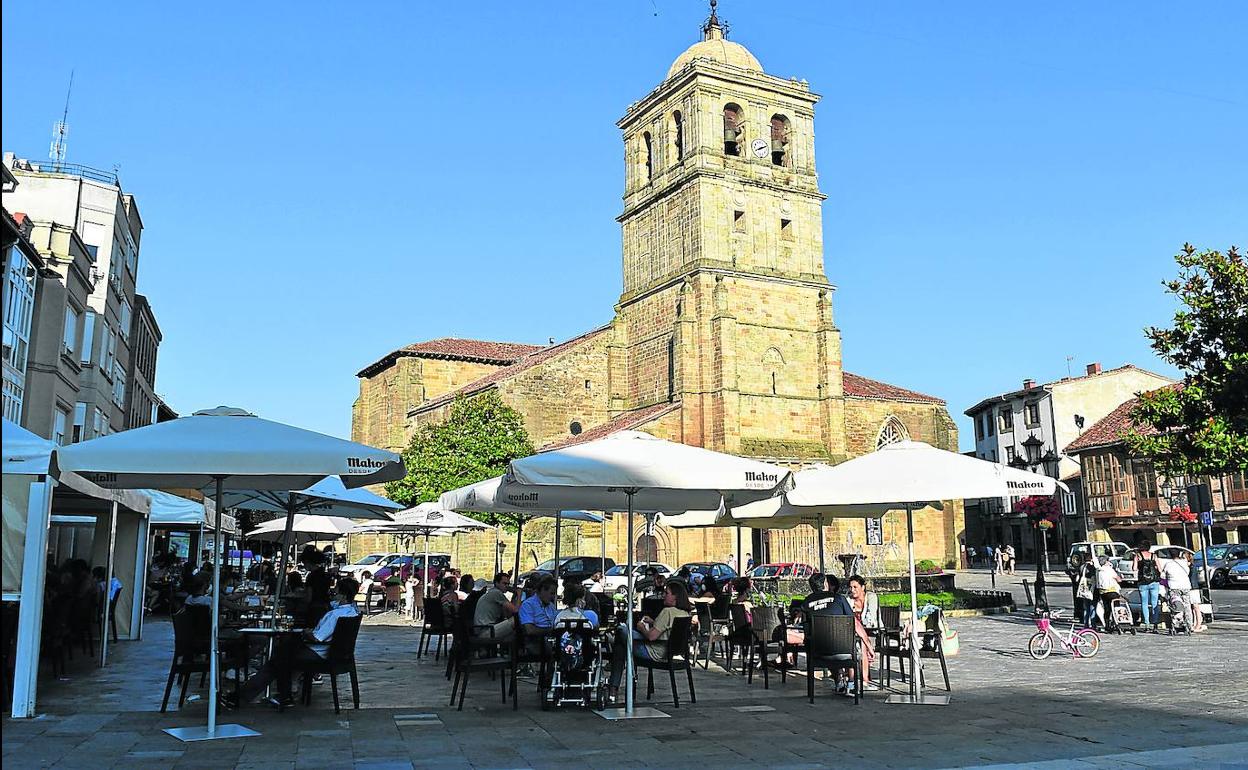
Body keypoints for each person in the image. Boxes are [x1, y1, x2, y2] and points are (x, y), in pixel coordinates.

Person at [223, 577, 361, 709]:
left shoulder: (334, 615)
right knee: (283, 653)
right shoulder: (353, 611)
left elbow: (317, 637)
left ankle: (245, 697)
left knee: (278, 660)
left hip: (318, 652)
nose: (332, 593)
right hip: (334, 652)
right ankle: (283, 694)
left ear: (343, 596)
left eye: (335, 591)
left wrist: (306, 632)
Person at [608, 580, 692, 702]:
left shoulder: (667, 612)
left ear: (675, 597)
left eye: (667, 593)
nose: (664, 595)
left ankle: (613, 685)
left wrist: (641, 627)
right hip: (668, 651)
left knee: (621, 633)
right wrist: (654, 622)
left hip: (654, 652)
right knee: (622, 645)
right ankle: (613, 686)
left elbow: (651, 636)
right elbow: (669, 628)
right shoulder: (684, 613)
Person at [846, 575, 879, 688]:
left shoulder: (871, 597)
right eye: (851, 587)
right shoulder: (848, 599)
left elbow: (871, 617)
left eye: (855, 587)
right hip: (853, 632)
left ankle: (864, 680)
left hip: (871, 631)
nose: (852, 590)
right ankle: (853, 679)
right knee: (853, 645)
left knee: (862, 644)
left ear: (863, 587)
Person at [474, 571, 519, 641]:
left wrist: (514, 596)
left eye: (508, 584)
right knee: (517, 620)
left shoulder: (493, 593)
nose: (506, 586)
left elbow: (508, 614)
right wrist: (519, 594)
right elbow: (516, 611)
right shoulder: (496, 593)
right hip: (486, 630)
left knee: (513, 634)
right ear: (496, 583)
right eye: (504, 583)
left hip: (486, 629)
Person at [518, 576, 560, 649]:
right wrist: (550, 630)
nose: (553, 597)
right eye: (552, 593)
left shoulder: (551, 606)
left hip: (550, 639)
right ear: (543, 590)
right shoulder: (528, 605)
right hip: (535, 642)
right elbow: (529, 630)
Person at [1161, 554, 1193, 630]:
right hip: (1186, 586)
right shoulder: (1184, 563)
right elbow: (1188, 572)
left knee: (1176, 605)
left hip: (1174, 587)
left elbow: (1162, 576)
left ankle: (1177, 622)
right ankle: (1189, 624)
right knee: (1187, 606)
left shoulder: (1168, 564)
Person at [1134, 545, 1162, 632]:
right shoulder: (1154, 555)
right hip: (1154, 582)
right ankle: (1155, 623)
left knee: (1144, 603)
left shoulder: (1138, 556)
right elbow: (1160, 569)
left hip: (1143, 582)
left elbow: (1134, 568)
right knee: (1154, 603)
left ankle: (1147, 624)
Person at [1095, 556, 1121, 627]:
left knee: (1107, 608)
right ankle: (1115, 622)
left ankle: (1107, 624)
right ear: (1106, 562)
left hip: (1103, 592)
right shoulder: (1108, 569)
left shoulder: (1098, 570)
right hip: (1112, 591)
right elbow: (1118, 579)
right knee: (1115, 608)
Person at [1186, 551, 1205, 632]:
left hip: (1193, 588)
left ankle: (1198, 624)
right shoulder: (1192, 566)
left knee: (1195, 606)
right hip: (1193, 587)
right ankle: (1195, 623)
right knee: (1193, 607)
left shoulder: (1191, 566)